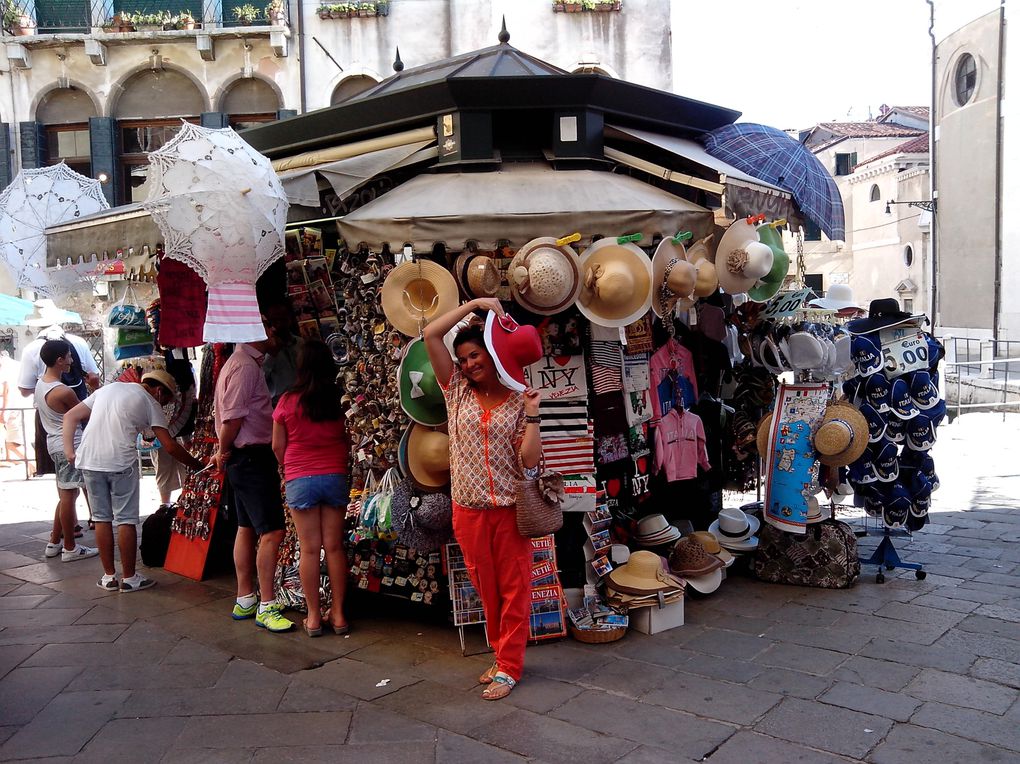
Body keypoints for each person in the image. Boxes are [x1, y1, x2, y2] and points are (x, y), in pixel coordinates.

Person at [423, 297, 542, 701]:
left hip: (509, 510)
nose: (470, 364)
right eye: (464, 359)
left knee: (515, 587)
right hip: (467, 510)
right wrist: (473, 304)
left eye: (476, 355)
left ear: (491, 355)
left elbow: (529, 462)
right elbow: (430, 334)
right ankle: (501, 654)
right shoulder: (455, 390)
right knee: (485, 588)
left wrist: (532, 417)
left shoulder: (516, 400)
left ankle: (509, 666)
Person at [63, 371, 204, 592]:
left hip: (89, 460)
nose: (164, 404)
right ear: (159, 391)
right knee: (126, 520)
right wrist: (197, 465)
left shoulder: (107, 390)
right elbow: (170, 445)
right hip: (120, 462)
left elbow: (70, 416)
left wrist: (70, 452)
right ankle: (129, 578)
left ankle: (109, 577)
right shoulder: (150, 401)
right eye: (166, 399)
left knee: (101, 519)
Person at [271, 338, 351, 637]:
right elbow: (347, 439)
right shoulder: (337, 399)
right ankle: (340, 615)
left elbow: (278, 446)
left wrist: (289, 468)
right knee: (333, 547)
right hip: (333, 476)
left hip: (300, 478)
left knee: (309, 549)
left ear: (300, 367)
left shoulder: (287, 401)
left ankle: (315, 617)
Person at [213, 336, 294, 633]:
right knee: (272, 530)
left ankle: (246, 598)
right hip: (250, 458)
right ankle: (266, 604)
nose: (275, 332)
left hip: (244, 457)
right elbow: (232, 418)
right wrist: (223, 450)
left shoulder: (237, 363)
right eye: (269, 327)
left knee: (246, 527)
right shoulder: (245, 366)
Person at [34, 340, 98, 562]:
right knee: (69, 495)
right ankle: (70, 547)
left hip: (56, 443)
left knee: (66, 494)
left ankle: (54, 542)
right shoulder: (62, 391)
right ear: (59, 360)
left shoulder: (42, 384)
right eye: (69, 356)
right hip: (68, 445)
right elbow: (88, 412)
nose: (72, 360)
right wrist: (94, 388)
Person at [262, 302, 299, 406]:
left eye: (283, 320)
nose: (278, 325)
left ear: (290, 320)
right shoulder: (265, 350)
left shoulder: (301, 344)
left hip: (304, 399)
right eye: (274, 321)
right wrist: (271, 356)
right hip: (278, 404)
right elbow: (259, 381)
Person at [0, 350, 27, 465]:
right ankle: (8, 457)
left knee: (12, 441)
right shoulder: (15, 367)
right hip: (12, 407)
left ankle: (31, 464)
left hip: (10, 409)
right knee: (8, 437)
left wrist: (4, 413)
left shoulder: (7, 371)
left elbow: (7, 394)